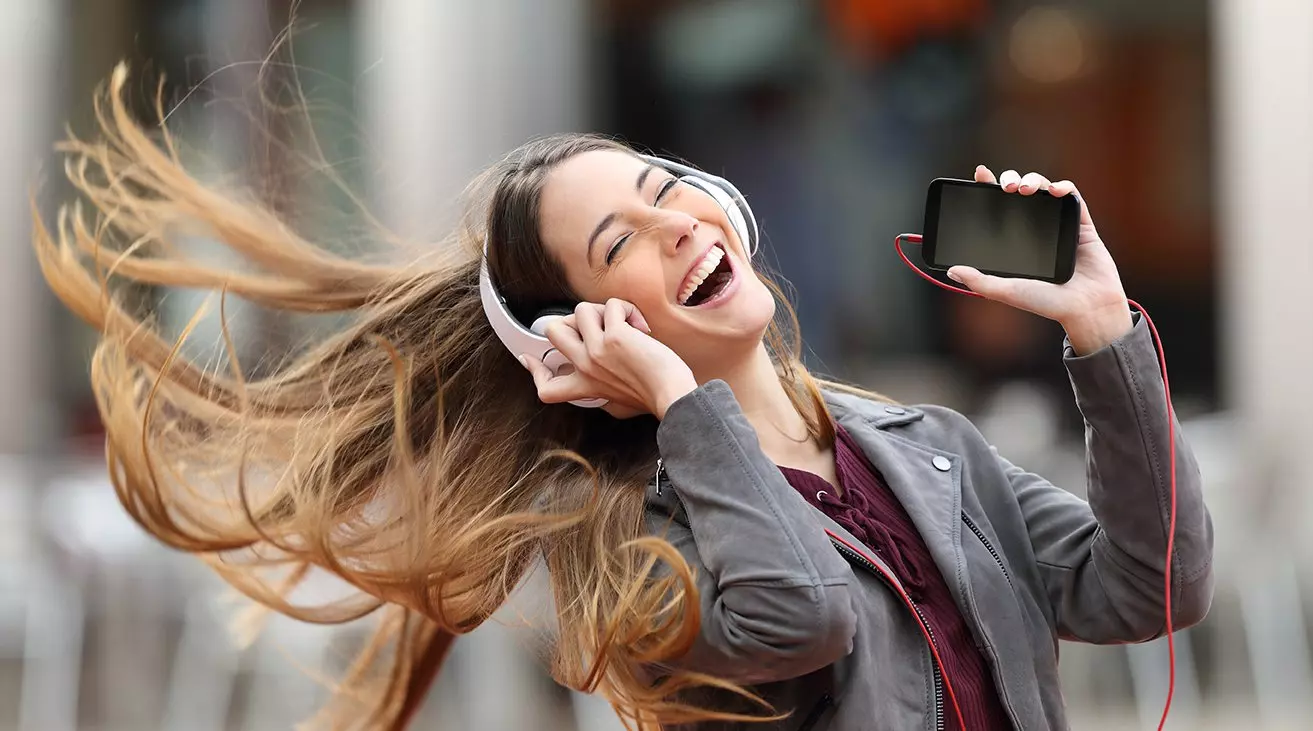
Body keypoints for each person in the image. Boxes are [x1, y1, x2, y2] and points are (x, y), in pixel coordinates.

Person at [34, 64, 1213, 731]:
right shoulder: (629, 545)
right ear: (583, 332)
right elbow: (801, 618)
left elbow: (1146, 583)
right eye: (620, 242)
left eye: (668, 191)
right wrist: (677, 404)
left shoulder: (930, 449)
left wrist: (1100, 330)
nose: (678, 225)